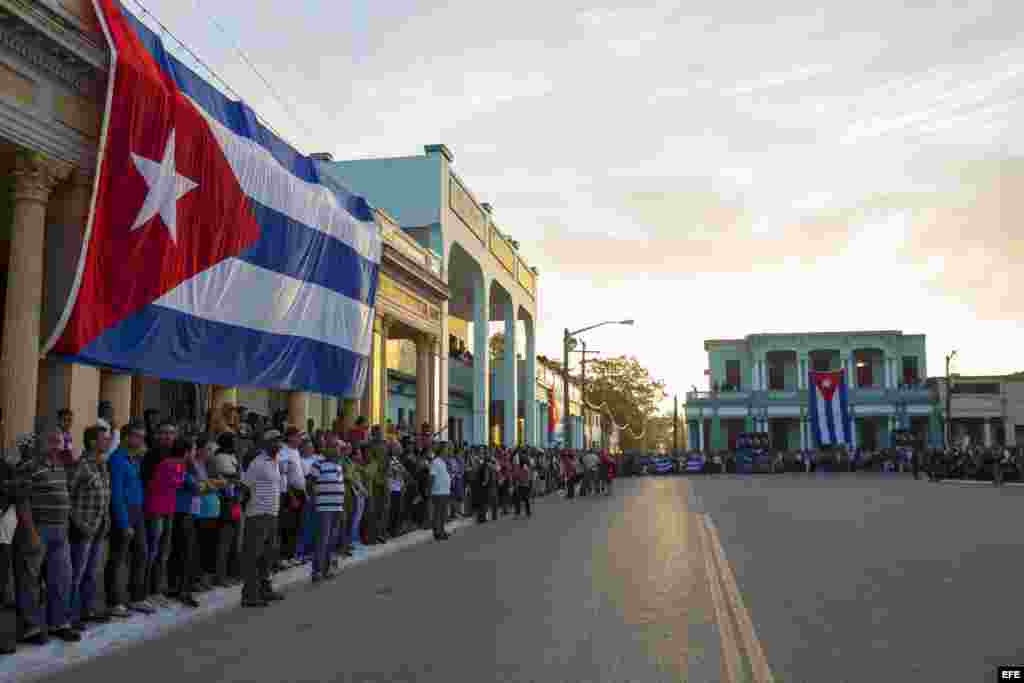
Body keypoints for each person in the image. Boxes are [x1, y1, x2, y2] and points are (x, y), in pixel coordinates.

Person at [15, 430, 80, 643]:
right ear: (41, 444)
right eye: (51, 442)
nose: (56, 446)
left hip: (60, 531)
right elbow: (22, 501)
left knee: (62, 577)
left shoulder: (61, 466)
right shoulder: (29, 467)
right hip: (38, 529)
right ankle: (31, 627)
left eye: (58, 442)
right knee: (30, 579)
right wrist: (31, 532)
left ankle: (58, 623)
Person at [66, 425, 113, 630]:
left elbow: (104, 494)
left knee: (92, 572)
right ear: (93, 442)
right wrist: (79, 522)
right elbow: (67, 496)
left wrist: (107, 518)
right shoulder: (82, 465)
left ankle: (87, 610)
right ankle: (71, 616)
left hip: (99, 526)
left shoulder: (102, 464)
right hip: (83, 527)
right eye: (105, 439)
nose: (108, 442)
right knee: (76, 573)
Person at [107, 423, 153, 616]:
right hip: (124, 510)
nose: (142, 441)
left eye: (143, 437)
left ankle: (137, 597)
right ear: (126, 437)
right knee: (118, 558)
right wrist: (124, 523)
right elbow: (116, 494)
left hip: (138, 510)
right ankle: (114, 601)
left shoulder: (134, 459)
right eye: (138, 437)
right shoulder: (117, 460)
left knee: (141, 553)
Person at [141, 422, 185, 608]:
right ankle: (145, 591)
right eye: (164, 433)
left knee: (164, 552)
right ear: (158, 435)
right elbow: (146, 480)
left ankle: (157, 589)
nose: (168, 436)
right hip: (155, 507)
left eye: (171, 433)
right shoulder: (151, 455)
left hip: (170, 507)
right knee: (152, 550)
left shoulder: (176, 455)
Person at [240, 430, 286, 607]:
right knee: (254, 555)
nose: (278, 445)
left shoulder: (275, 462)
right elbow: (245, 487)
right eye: (275, 442)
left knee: (268, 555)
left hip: (272, 514)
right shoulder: (257, 463)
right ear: (266, 444)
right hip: (258, 514)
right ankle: (250, 595)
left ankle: (265, 590)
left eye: (279, 442)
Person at [308, 440, 344, 581]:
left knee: (332, 540)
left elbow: (339, 486)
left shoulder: (338, 466)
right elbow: (310, 482)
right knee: (322, 539)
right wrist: (314, 499)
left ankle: (327, 569)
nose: (337, 450)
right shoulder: (318, 464)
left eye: (338, 448)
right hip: (324, 507)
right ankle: (317, 571)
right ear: (327, 449)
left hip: (337, 507)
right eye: (334, 447)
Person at [429, 447, 450, 541]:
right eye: (445, 451)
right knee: (438, 513)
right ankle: (437, 532)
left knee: (443, 514)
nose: (447, 453)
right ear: (441, 452)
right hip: (438, 492)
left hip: (445, 491)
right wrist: (430, 489)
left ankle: (442, 530)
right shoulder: (435, 462)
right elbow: (432, 476)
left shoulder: (443, 462)